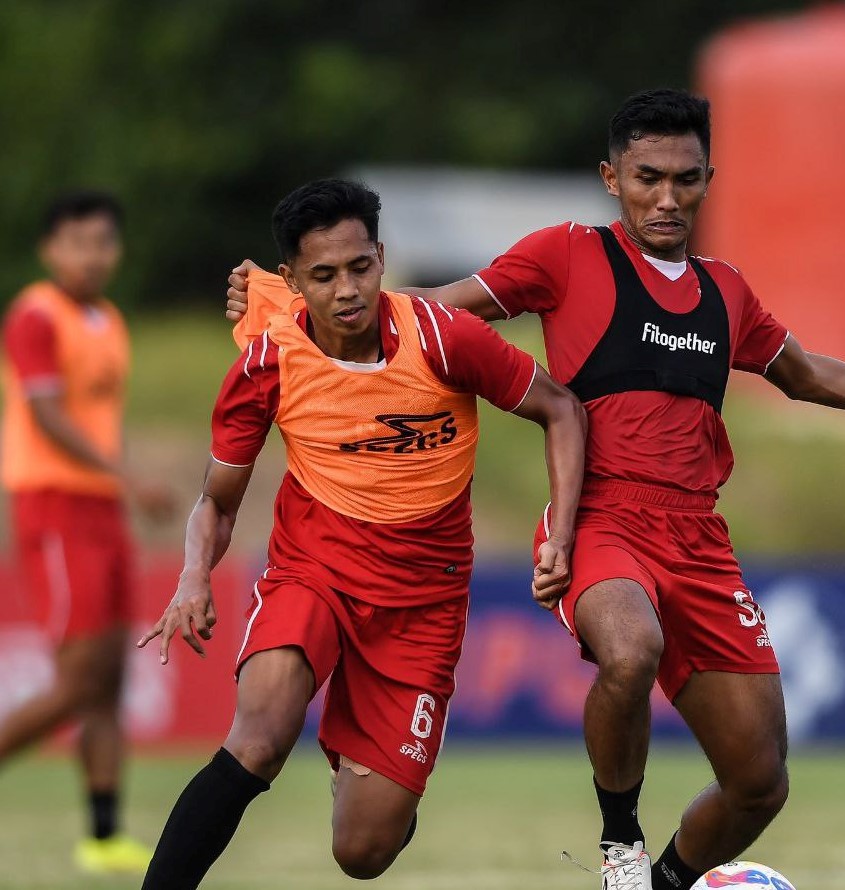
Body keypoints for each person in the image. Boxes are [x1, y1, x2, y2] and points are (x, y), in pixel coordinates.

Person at [226, 90, 845, 890]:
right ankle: (619, 846)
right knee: (630, 648)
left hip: (699, 540)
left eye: (685, 179)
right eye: (646, 177)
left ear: (707, 179)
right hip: (601, 520)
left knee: (760, 782)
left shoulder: (726, 291)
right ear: (610, 178)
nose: (666, 197)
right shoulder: (568, 253)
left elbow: (805, 374)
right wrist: (289, 305)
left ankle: (664, 882)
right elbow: (427, 316)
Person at [138, 178, 586, 889]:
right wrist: (194, 573)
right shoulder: (266, 363)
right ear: (293, 281)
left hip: (420, 606)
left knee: (363, 853)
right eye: (322, 276)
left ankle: (373, 773)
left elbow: (560, 408)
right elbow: (217, 502)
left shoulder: (442, 337)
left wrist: (557, 533)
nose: (346, 289)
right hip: (312, 573)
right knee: (257, 739)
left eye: (359, 268)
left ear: (382, 256)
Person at [0, 190, 174, 875]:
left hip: (99, 507)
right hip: (54, 504)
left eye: (102, 241)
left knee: (108, 679)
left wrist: (120, 485)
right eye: (76, 242)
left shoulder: (110, 321)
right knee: (76, 681)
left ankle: (102, 836)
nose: (91, 255)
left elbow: (101, 416)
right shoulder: (36, 315)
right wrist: (129, 476)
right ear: (50, 250)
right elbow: (45, 415)